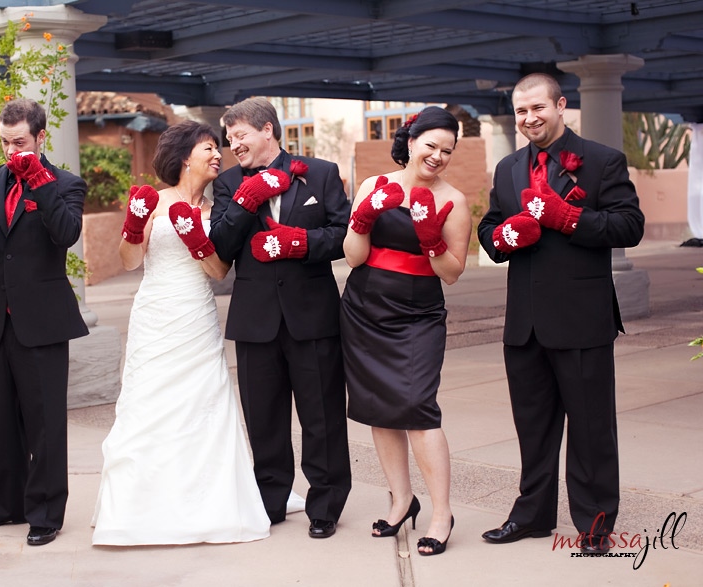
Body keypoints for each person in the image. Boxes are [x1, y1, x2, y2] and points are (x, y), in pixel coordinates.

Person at [477, 73, 644, 553]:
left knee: (591, 430)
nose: (529, 118)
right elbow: (489, 229)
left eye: (538, 108)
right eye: (521, 111)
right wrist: (505, 235)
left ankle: (595, 525)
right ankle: (531, 515)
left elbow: (630, 225)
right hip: (524, 323)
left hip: (581, 319)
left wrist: (568, 218)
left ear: (561, 105)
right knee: (532, 428)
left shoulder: (602, 160)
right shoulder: (508, 167)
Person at [91, 120, 270, 545]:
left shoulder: (217, 209)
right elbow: (131, 261)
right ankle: (140, 506)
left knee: (202, 402)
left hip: (196, 314)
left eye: (218, 148)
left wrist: (198, 243)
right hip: (156, 314)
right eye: (209, 147)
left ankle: (206, 502)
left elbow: (219, 271)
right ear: (185, 156)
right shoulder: (154, 200)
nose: (218, 154)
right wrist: (134, 225)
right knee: (149, 401)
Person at [209, 97, 352, 539]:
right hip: (255, 320)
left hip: (313, 317)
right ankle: (270, 501)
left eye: (240, 135)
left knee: (322, 416)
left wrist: (301, 243)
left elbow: (344, 235)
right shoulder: (228, 182)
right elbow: (220, 244)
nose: (233, 145)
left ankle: (325, 505)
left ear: (267, 130)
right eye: (229, 138)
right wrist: (246, 201)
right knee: (264, 419)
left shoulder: (321, 173)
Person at [0, 98, 89, 547]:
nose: (11, 151)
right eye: (5, 142)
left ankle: (46, 514)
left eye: (19, 142)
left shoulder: (66, 183)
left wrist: (39, 181)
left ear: (40, 137)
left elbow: (66, 234)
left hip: (43, 321)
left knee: (45, 422)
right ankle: (3, 506)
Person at [341, 107, 470, 556]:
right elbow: (353, 256)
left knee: (418, 408)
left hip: (418, 314)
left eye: (447, 151)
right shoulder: (373, 185)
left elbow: (452, 273)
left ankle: (442, 513)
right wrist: (362, 219)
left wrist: (431, 239)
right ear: (411, 142)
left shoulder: (453, 200)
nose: (437, 156)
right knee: (379, 408)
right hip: (365, 307)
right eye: (431, 145)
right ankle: (401, 501)